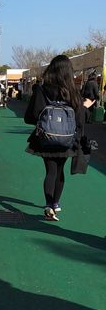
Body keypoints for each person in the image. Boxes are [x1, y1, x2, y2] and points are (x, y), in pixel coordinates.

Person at [24, 54, 94, 221]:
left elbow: (31, 116)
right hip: (67, 139)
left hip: (45, 139)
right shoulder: (73, 92)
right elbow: (80, 118)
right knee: (60, 171)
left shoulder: (42, 89)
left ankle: (49, 205)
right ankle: (55, 203)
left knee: (50, 171)